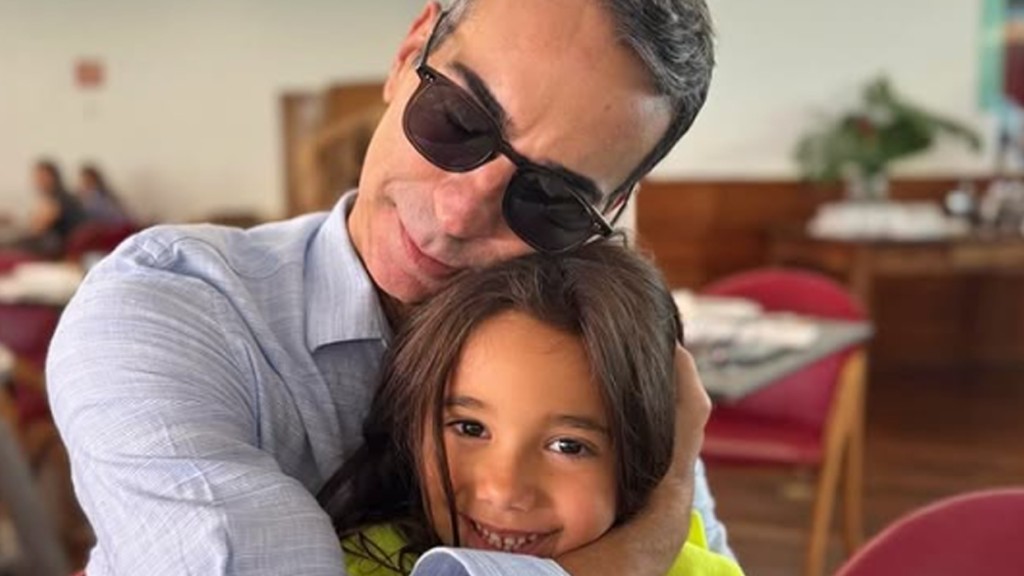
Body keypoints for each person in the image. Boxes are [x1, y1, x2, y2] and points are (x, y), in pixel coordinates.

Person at [47, 1, 723, 574]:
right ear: (409, 53)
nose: (458, 214)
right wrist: (650, 534)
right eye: (457, 120)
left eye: (551, 198)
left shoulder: (599, 347)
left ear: (609, 209)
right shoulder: (170, 308)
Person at [319, 243, 742, 576]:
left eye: (568, 446)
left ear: (646, 456)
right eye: (469, 428)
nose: (504, 490)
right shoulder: (357, 565)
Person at [20, 159, 87, 257]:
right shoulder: (65, 196)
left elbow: (37, 229)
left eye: (41, 177)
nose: (37, 181)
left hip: (62, 250)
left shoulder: (58, 199)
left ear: (52, 177)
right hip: (68, 246)